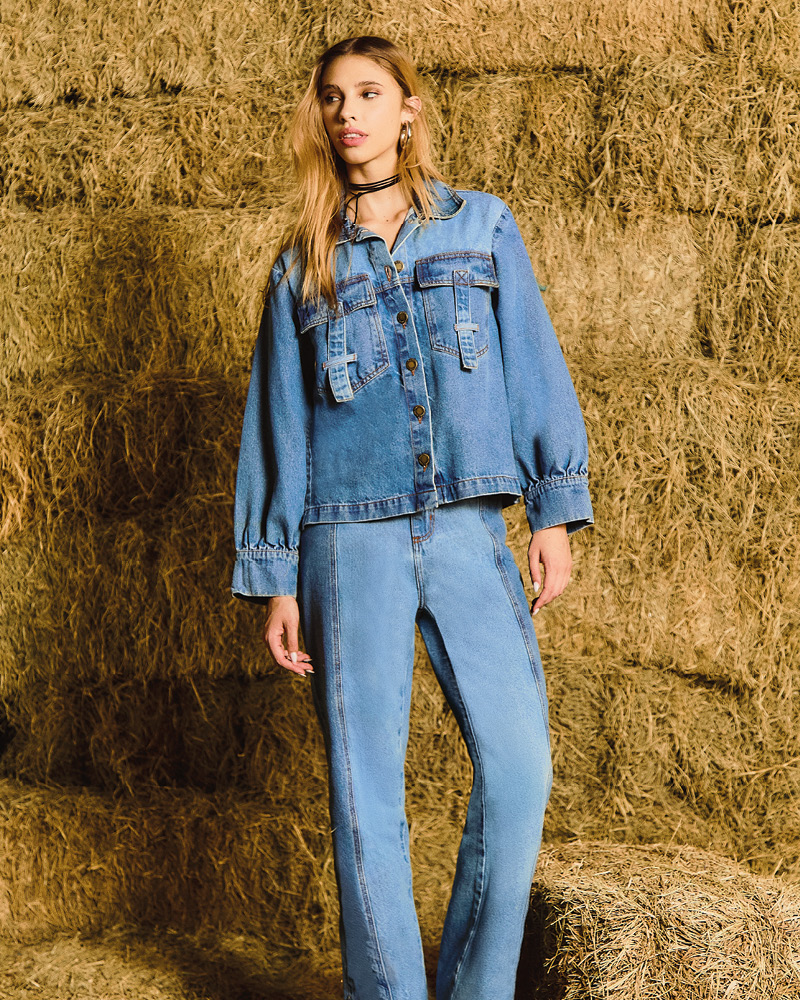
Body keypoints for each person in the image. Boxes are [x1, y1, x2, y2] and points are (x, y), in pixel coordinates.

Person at [231, 34, 594, 1000]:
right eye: (332, 97)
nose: (348, 112)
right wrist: (275, 575)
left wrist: (552, 512)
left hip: (470, 528)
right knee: (365, 802)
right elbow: (278, 426)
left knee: (519, 769)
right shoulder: (300, 267)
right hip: (345, 545)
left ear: (408, 110)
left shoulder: (482, 226)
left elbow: (532, 364)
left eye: (368, 93)